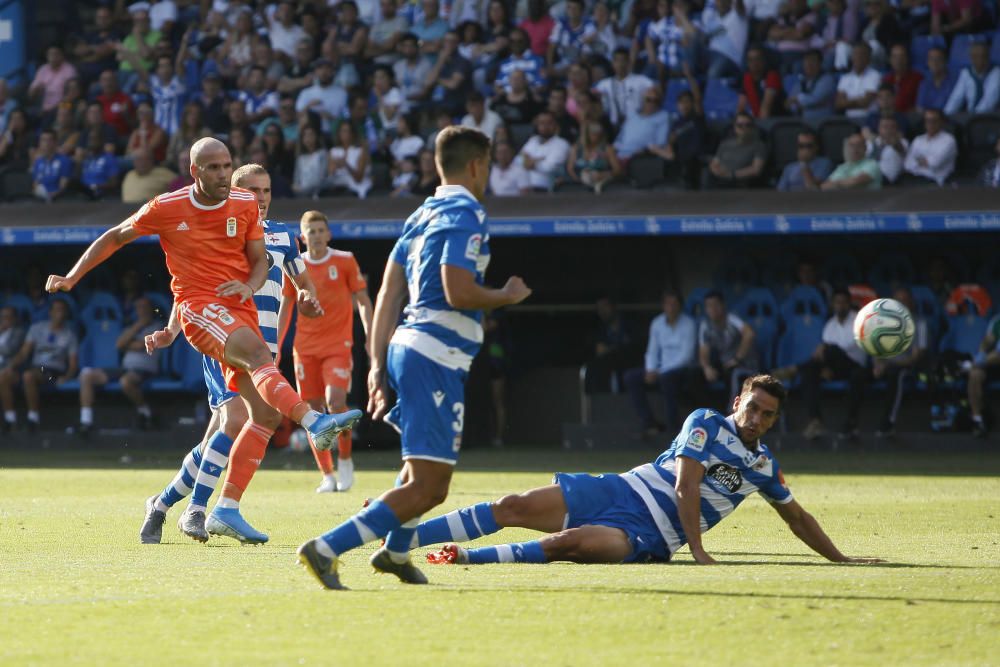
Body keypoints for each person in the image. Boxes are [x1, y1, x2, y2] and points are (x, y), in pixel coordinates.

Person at [45, 141, 359, 536]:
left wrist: (253, 285)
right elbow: (115, 236)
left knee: (261, 416)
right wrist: (73, 276)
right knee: (234, 417)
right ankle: (311, 424)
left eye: (227, 166)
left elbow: (264, 263)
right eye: (213, 167)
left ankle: (196, 505)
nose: (223, 174)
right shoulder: (167, 207)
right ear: (194, 171)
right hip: (202, 313)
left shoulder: (256, 217)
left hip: (243, 321)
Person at [296, 126, 532, 590]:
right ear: (477, 165)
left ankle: (397, 553)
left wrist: (378, 363)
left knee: (415, 469)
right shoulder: (468, 211)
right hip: (434, 355)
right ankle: (326, 548)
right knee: (431, 485)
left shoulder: (422, 212)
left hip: (407, 346)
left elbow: (388, 292)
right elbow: (457, 289)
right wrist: (505, 295)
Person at [417, 375, 883, 567]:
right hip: (620, 489)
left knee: (567, 544)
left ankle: (462, 558)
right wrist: (699, 551)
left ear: (775, 421)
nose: (756, 419)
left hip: (651, 536)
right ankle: (405, 534)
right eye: (752, 408)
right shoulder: (704, 421)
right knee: (511, 505)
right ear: (737, 402)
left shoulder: (763, 467)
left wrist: (840, 560)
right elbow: (685, 484)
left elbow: (797, 518)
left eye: (767, 415)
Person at [139, 163, 325, 545]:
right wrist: (172, 331)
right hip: (222, 339)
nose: (261, 199)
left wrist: (308, 298)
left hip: (263, 353)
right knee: (237, 418)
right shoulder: (221, 232)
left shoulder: (282, 236)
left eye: (267, 191)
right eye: (253, 191)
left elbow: (302, 281)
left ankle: (161, 504)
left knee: (217, 438)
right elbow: (191, 287)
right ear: (235, 193)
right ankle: (198, 511)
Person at [286, 211, 373, 492]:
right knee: (312, 412)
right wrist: (274, 343)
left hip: (338, 344)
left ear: (329, 234)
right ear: (302, 237)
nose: (317, 236)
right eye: (311, 231)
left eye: (321, 230)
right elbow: (286, 306)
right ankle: (327, 474)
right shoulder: (295, 267)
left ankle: (346, 460)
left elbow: (362, 299)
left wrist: (371, 335)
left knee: (335, 403)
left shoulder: (345, 261)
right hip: (305, 347)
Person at [74, 295, 162, 436]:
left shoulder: (158, 327)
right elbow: (119, 344)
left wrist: (127, 344)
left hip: (145, 368)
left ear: (151, 309)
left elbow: (141, 346)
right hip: (125, 368)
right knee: (86, 375)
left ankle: (146, 412)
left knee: (125, 382)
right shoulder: (132, 326)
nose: (142, 310)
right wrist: (138, 325)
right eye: (139, 307)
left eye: (145, 307)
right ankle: (86, 422)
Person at [793, 288, 870, 441]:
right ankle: (815, 419)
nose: (840, 306)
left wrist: (827, 351)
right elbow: (826, 356)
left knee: (832, 349)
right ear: (833, 305)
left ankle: (794, 368)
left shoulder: (859, 321)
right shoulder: (830, 325)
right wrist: (826, 366)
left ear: (849, 304)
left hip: (855, 366)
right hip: (835, 368)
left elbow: (851, 347)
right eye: (837, 303)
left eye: (843, 303)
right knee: (809, 372)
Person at [624, 290, 697, 437]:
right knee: (631, 377)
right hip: (660, 370)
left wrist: (660, 371)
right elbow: (652, 350)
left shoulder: (689, 324)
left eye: (674, 304)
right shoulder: (657, 323)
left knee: (666, 379)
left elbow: (686, 357)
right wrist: (651, 369)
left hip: (681, 370)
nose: (671, 308)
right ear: (663, 306)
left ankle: (672, 428)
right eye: (667, 304)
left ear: (680, 306)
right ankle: (649, 423)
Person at [0, 300, 78, 433]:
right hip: (36, 368)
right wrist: (11, 366)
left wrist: (67, 377)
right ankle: (9, 419)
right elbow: (24, 352)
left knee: (29, 375)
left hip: (53, 372)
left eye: (62, 310)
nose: (59, 313)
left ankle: (33, 419)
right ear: (50, 312)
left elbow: (73, 363)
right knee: (3, 376)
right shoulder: (37, 329)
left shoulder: (69, 334)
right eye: (57, 310)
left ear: (66, 314)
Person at [873, 287, 929, 439]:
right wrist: (877, 364)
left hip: (907, 368)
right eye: (898, 301)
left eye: (904, 300)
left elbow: (917, 356)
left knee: (895, 376)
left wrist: (889, 365)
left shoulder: (919, 323)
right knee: (857, 375)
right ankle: (851, 424)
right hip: (886, 366)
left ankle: (888, 423)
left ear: (911, 303)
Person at [698, 290, 758, 402]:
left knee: (732, 374)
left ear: (723, 305)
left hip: (743, 363)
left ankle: (730, 412)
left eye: (716, 304)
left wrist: (737, 359)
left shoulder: (731, 318)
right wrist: (706, 368)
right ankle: (707, 412)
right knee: (696, 374)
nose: (713, 309)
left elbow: (749, 334)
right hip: (725, 364)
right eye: (709, 306)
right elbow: (703, 351)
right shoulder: (705, 325)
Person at [706, 113, 766, 189]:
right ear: (735, 128)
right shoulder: (725, 144)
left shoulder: (759, 145)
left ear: (753, 127)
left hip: (740, 181)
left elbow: (756, 169)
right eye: (740, 125)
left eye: (748, 125)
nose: (744, 128)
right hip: (719, 178)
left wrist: (732, 175)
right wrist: (716, 171)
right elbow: (715, 162)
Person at [518, 111, 571, 191]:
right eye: (542, 123)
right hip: (523, 188)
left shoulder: (562, 143)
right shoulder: (533, 140)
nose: (545, 126)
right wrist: (538, 160)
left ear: (556, 125)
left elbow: (550, 167)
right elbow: (517, 161)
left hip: (545, 188)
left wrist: (530, 162)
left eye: (549, 123)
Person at [612, 85, 669, 161]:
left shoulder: (663, 116)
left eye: (656, 101)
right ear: (643, 100)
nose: (652, 103)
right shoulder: (632, 115)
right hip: (619, 155)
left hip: (639, 157)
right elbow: (619, 139)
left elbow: (660, 143)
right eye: (648, 100)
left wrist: (645, 150)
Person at [944, 40, 1000, 115]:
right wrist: (945, 116)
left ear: (988, 56)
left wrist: (973, 117)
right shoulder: (966, 73)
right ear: (971, 57)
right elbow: (956, 98)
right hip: (971, 117)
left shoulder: (996, 72)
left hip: (990, 118)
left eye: (983, 56)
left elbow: (990, 101)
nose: (980, 60)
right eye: (976, 56)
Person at [902, 109, 957, 186]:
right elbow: (907, 164)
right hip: (914, 178)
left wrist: (918, 161)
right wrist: (925, 161)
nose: (930, 124)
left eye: (934, 121)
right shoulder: (918, 140)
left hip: (935, 181)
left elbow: (935, 163)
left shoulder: (948, 140)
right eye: (927, 120)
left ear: (941, 122)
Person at [967, 311, 1000, 438]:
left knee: (975, 367)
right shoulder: (997, 321)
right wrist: (981, 352)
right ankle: (978, 419)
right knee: (975, 375)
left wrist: (979, 361)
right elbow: (987, 340)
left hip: (995, 359)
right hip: (994, 365)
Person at [784, 49, 835, 120]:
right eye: (806, 60)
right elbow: (789, 104)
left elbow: (816, 99)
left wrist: (797, 100)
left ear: (820, 63)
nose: (809, 64)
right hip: (801, 124)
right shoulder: (800, 82)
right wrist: (795, 104)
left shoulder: (827, 80)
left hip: (822, 123)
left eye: (813, 60)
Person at [835, 42, 881, 120]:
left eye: (862, 54)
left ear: (868, 58)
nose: (859, 57)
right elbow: (838, 104)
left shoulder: (875, 76)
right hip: (849, 120)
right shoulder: (845, 78)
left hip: (868, 119)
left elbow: (865, 103)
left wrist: (847, 101)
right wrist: (858, 100)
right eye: (856, 54)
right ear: (852, 56)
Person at [31, 130, 74, 202]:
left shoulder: (65, 161)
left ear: (55, 142)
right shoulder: (38, 162)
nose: (46, 143)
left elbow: (63, 186)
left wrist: (50, 196)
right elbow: (35, 184)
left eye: (49, 140)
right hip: (40, 200)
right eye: (43, 140)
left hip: (58, 199)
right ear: (39, 143)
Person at [866, 116, 909, 185]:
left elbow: (902, 150)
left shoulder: (903, 142)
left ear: (897, 129)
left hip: (891, 180)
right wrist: (878, 146)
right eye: (885, 127)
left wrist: (894, 143)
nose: (889, 130)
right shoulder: (871, 143)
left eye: (892, 127)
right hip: (872, 177)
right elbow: (867, 161)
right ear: (879, 129)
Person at [916, 48, 956, 113]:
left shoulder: (954, 83)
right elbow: (920, 108)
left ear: (945, 61)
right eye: (931, 59)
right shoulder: (924, 83)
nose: (934, 62)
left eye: (938, 59)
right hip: (929, 119)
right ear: (927, 62)